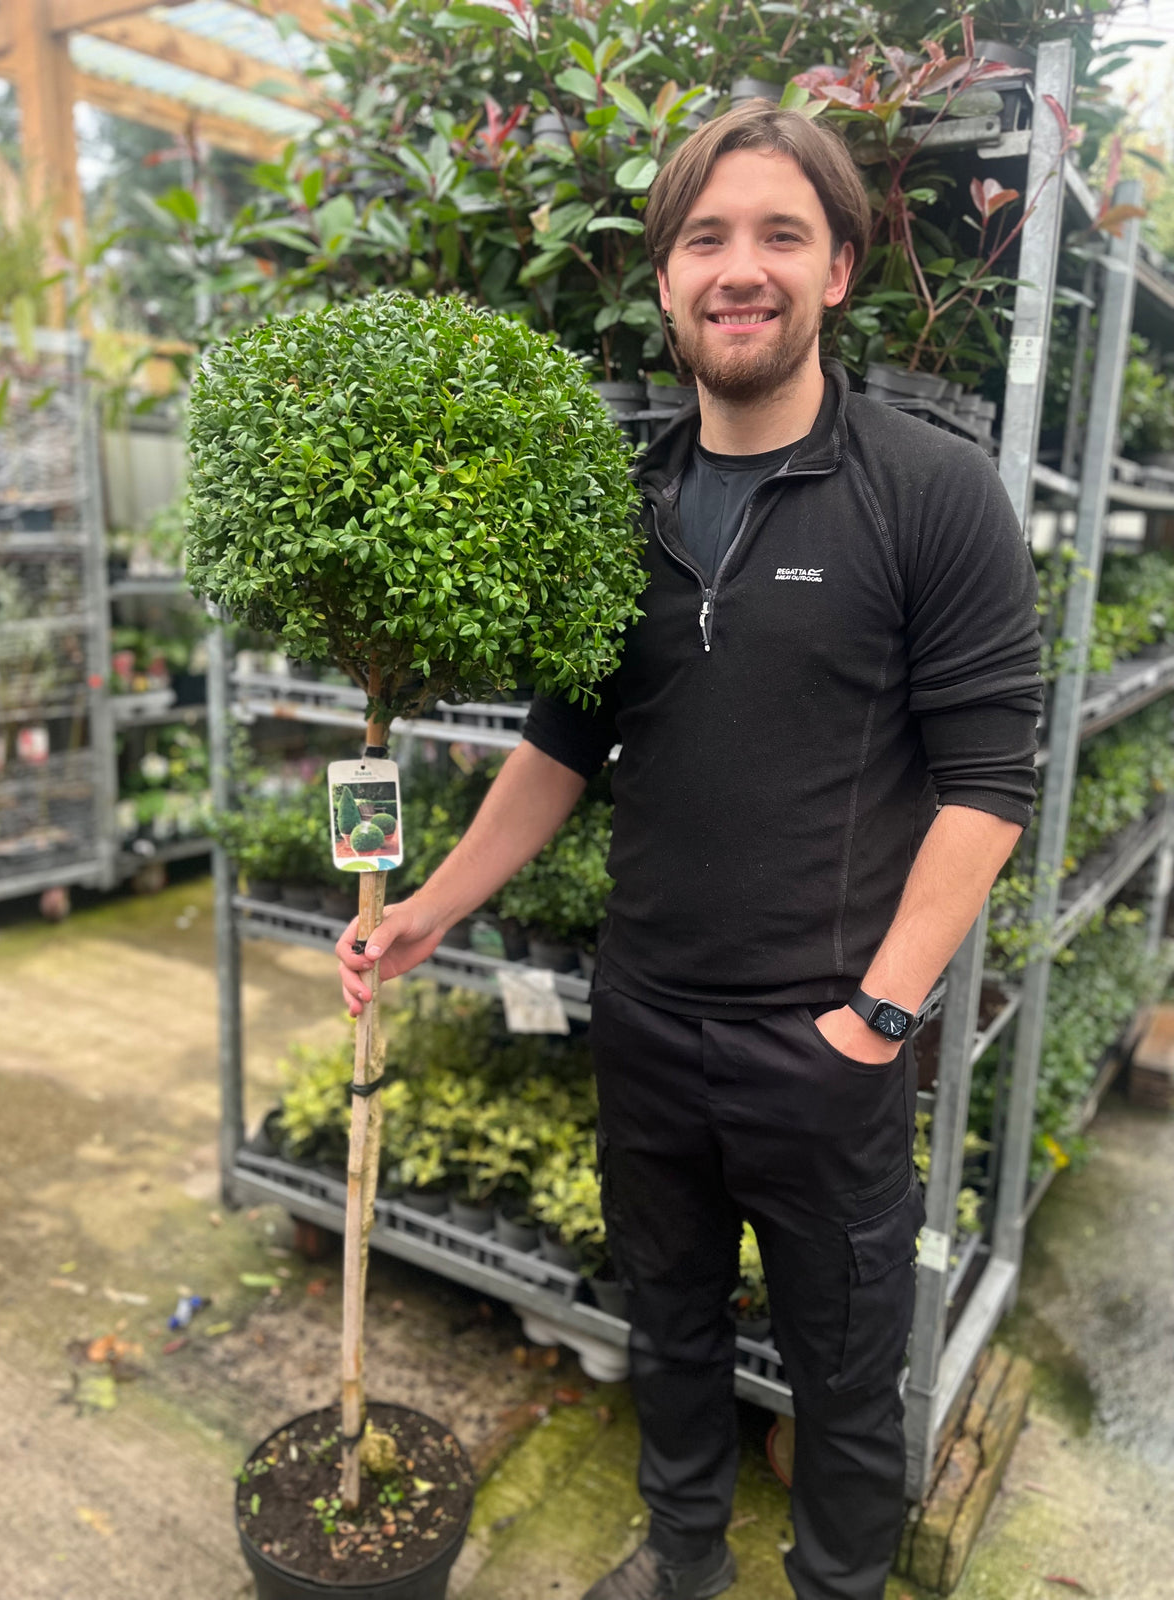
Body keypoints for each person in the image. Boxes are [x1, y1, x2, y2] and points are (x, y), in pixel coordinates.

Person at [336, 104, 1041, 1600]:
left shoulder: (934, 496)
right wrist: (431, 912)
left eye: (781, 234)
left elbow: (989, 785)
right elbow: (561, 749)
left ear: (838, 269)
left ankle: (839, 1585)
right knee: (667, 1327)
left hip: (827, 1040)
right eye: (706, 239)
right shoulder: (621, 507)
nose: (742, 269)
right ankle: (682, 1563)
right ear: (662, 281)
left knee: (848, 1378)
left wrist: (878, 1020)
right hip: (649, 1020)